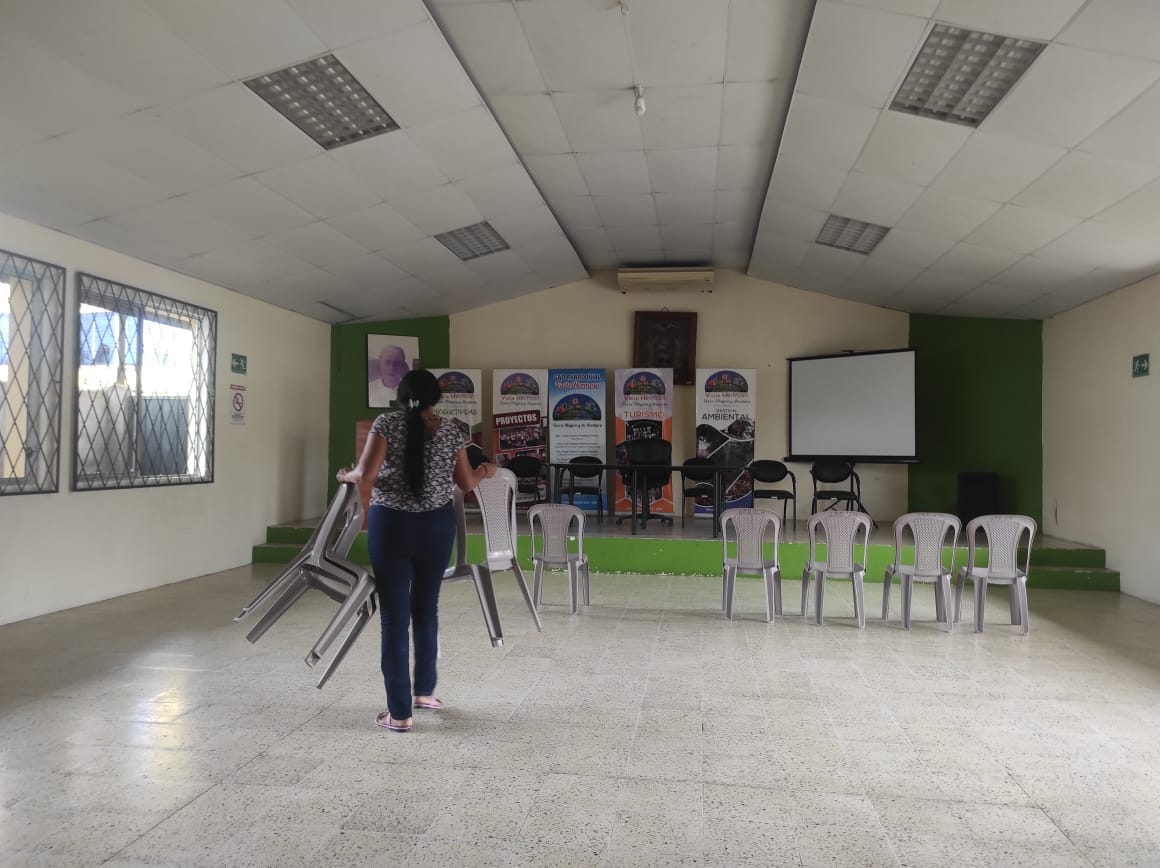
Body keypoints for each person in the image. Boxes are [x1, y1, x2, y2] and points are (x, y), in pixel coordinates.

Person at [337, 369, 496, 732]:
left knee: (394, 617)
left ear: (400, 395)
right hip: (436, 528)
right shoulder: (452, 430)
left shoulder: (386, 424)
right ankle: (424, 692)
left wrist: (345, 475)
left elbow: (366, 475)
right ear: (435, 398)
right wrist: (486, 469)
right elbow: (466, 482)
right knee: (426, 609)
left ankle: (399, 713)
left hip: (391, 527)